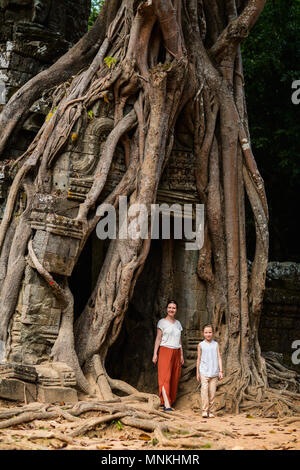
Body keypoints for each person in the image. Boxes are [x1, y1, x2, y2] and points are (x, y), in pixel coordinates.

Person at [152, 300, 184, 411]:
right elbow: (158, 338)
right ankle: (166, 405)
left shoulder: (178, 323)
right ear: (167, 309)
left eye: (174, 308)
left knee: (174, 377)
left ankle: (165, 401)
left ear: (176, 310)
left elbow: (180, 340)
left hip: (176, 351)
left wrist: (181, 355)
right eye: (170, 307)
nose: (171, 309)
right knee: (165, 377)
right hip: (165, 350)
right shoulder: (162, 322)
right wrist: (155, 353)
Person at [196, 324, 223, 418]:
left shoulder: (216, 344)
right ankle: (204, 410)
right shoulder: (201, 345)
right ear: (203, 333)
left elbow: (219, 357)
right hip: (204, 372)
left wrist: (221, 371)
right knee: (204, 391)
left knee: (212, 393)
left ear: (213, 333)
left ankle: (211, 411)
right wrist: (197, 372)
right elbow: (198, 359)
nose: (208, 334)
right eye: (206, 332)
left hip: (214, 372)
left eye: (210, 332)